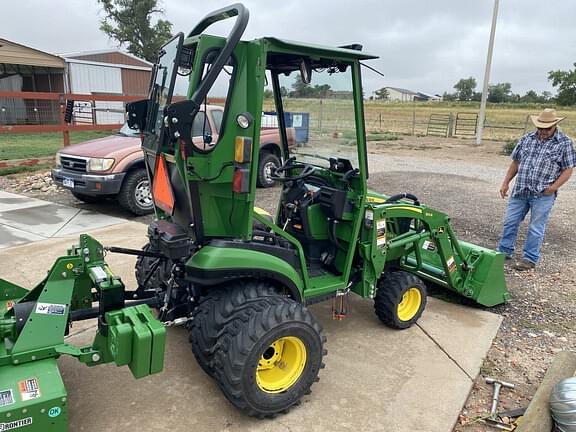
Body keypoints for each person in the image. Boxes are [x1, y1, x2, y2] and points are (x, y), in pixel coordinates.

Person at [498, 108, 575, 271]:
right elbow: (516, 162)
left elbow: (568, 169)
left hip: (543, 194)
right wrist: (505, 183)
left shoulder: (564, 143)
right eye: (541, 127)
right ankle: (504, 252)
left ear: (554, 126)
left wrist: (553, 188)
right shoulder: (527, 139)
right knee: (510, 222)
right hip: (521, 190)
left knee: (536, 227)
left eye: (547, 128)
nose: (543, 131)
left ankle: (529, 258)